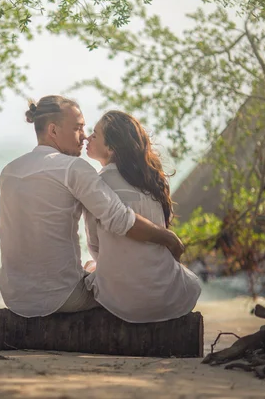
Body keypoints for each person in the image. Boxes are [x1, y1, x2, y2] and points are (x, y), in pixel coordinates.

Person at [0, 95, 185, 318]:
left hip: (15, 297)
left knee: (91, 266)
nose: (84, 136)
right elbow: (120, 219)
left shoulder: (9, 171)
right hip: (63, 297)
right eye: (78, 128)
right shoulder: (73, 168)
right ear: (53, 131)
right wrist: (168, 238)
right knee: (104, 275)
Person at [84, 110, 201, 323]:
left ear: (110, 148)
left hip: (121, 301)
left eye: (94, 134)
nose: (87, 137)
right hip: (163, 296)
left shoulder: (96, 186)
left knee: (88, 266)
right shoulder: (152, 181)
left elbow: (94, 246)